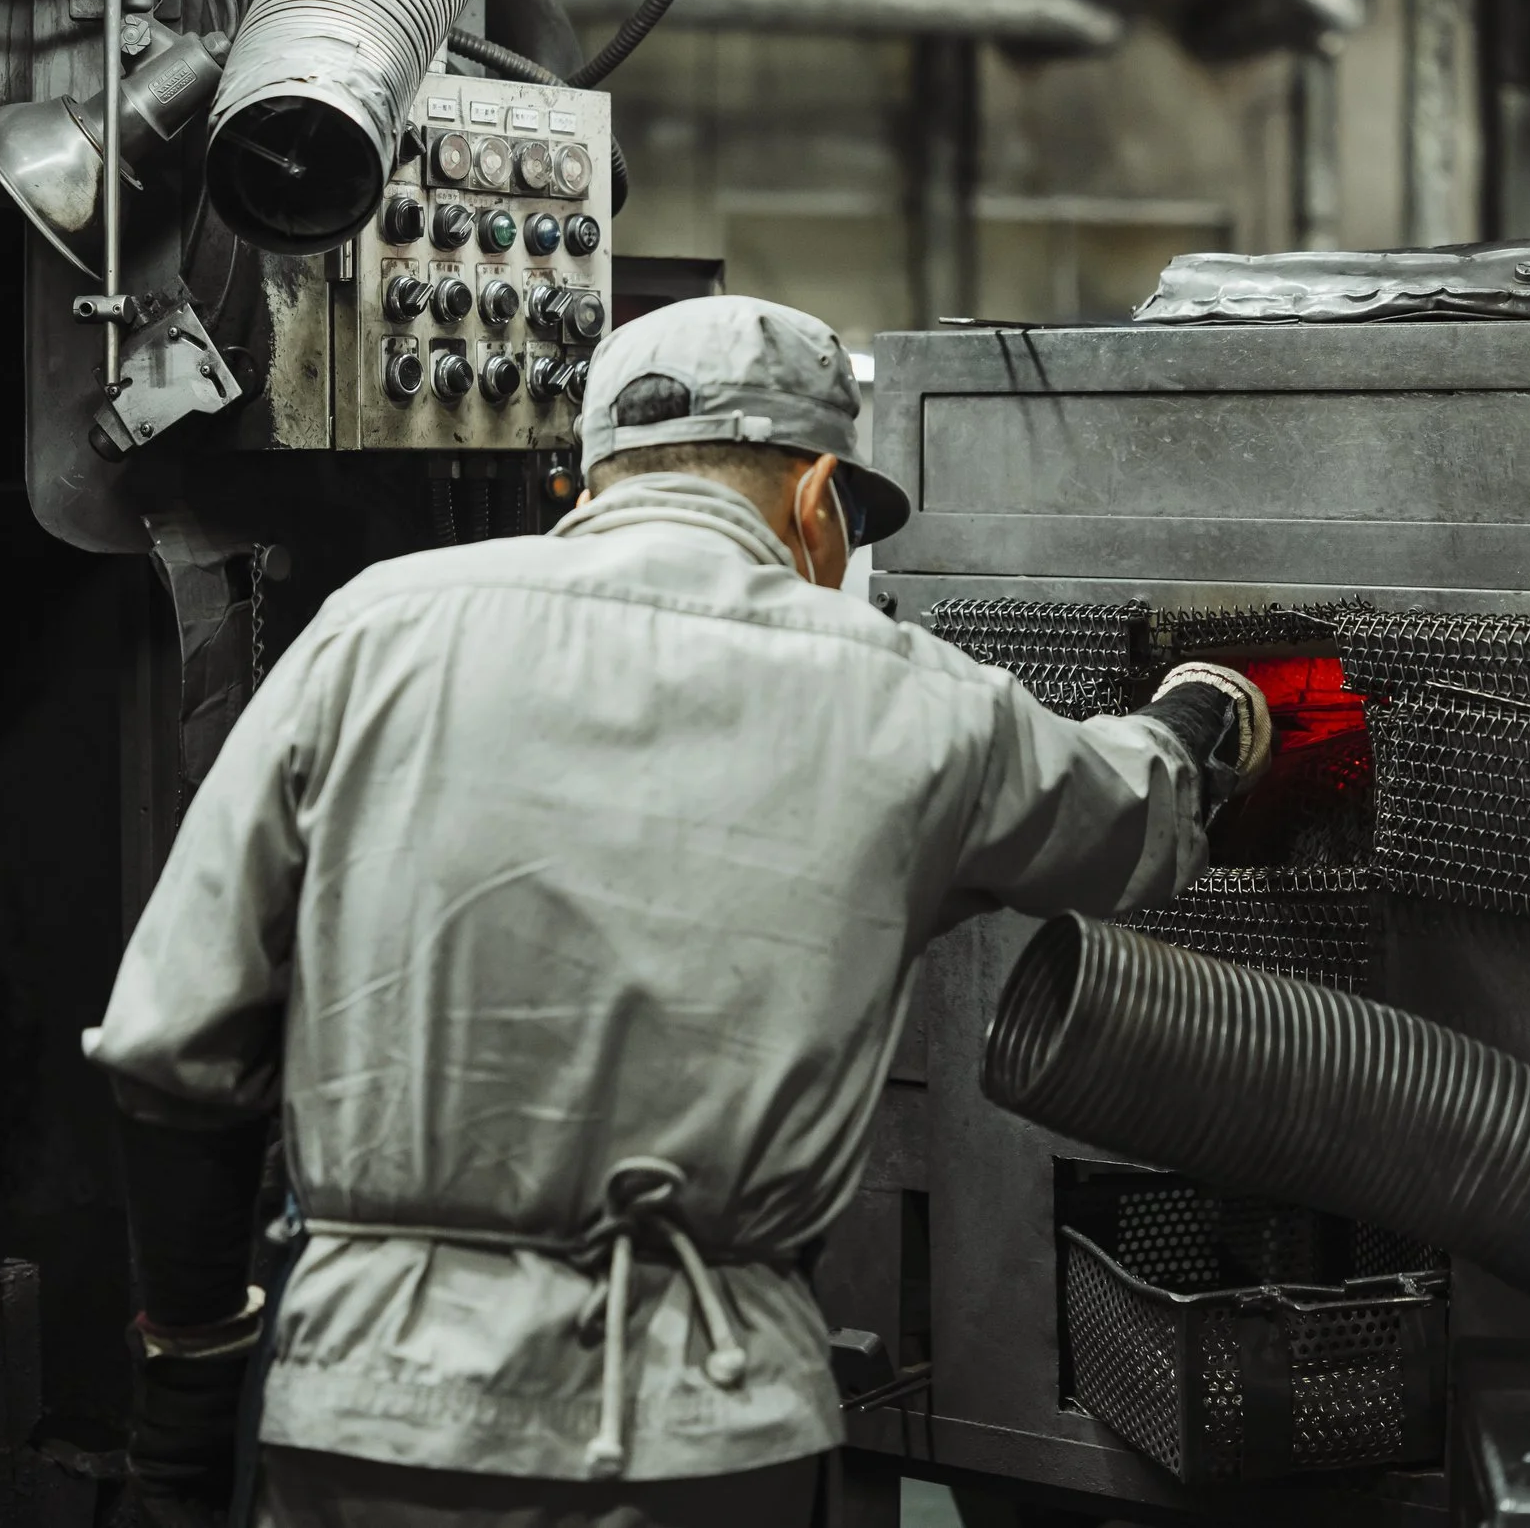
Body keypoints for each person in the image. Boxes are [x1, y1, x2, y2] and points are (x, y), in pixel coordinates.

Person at [85, 294, 1272, 1527]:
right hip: (699, 1428)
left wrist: (189, 1380)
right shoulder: (906, 695)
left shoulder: (372, 628)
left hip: (371, 1413)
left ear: (592, 480)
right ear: (818, 503)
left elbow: (171, 1045)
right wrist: (1204, 709)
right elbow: (1131, 815)